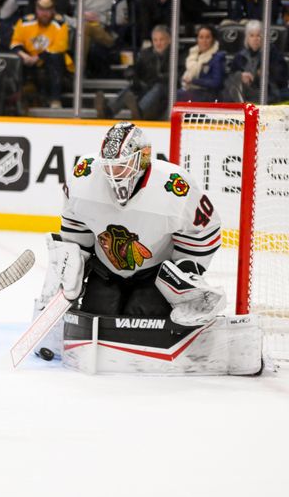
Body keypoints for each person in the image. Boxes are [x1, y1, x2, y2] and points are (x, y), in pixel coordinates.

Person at [32, 123, 259, 375]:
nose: (112, 172)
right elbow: (75, 223)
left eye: (120, 165)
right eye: (107, 165)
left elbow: (205, 230)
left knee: (141, 318)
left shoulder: (174, 186)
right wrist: (76, 260)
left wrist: (184, 271)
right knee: (98, 315)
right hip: (105, 270)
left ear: (142, 160)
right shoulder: (84, 175)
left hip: (154, 275)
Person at [95, 25, 171, 120]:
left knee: (158, 87)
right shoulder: (146, 53)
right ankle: (108, 111)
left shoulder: (175, 55)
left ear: (169, 40)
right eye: (155, 40)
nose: (158, 43)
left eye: (161, 40)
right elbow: (135, 67)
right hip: (147, 89)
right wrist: (131, 73)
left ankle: (139, 111)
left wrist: (158, 79)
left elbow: (176, 77)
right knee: (131, 88)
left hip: (165, 94)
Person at [10, 0, 70, 109]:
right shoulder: (24, 22)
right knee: (14, 59)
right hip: (28, 59)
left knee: (55, 57)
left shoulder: (60, 23)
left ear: (53, 10)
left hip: (51, 61)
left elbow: (60, 46)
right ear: (36, 9)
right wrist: (24, 55)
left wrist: (38, 57)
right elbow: (15, 42)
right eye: (41, 9)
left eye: (48, 10)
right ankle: (16, 101)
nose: (44, 13)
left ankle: (55, 99)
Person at [223, 19, 289, 104]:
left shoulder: (273, 54)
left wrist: (263, 74)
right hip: (245, 92)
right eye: (252, 35)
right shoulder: (240, 56)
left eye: (258, 35)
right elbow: (230, 77)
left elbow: (281, 78)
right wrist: (240, 76)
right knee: (232, 86)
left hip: (267, 93)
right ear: (247, 38)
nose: (255, 39)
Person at [177, 24, 226, 102]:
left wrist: (194, 81)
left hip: (210, 94)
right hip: (193, 91)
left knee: (177, 96)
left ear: (213, 39)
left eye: (207, 37)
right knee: (172, 94)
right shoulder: (193, 55)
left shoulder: (217, 57)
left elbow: (217, 83)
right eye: (201, 37)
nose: (204, 41)